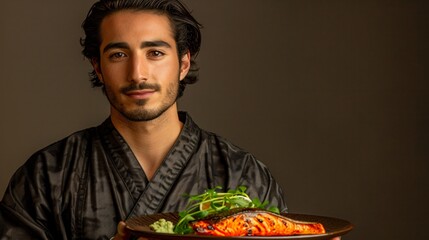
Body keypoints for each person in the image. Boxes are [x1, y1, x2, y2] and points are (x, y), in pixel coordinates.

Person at [0, 0, 289, 239]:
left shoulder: (242, 175)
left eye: (155, 53)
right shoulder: (47, 177)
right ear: (98, 67)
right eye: (118, 54)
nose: (138, 73)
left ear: (183, 63)